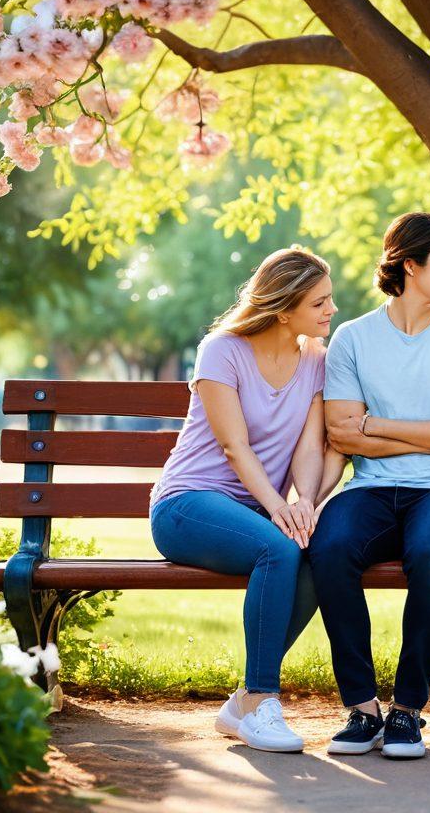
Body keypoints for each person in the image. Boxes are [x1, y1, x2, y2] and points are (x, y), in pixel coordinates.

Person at [308, 212, 430, 760]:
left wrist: (379, 424)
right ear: (410, 265)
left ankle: (408, 710)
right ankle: (363, 708)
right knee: (330, 549)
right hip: (371, 488)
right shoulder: (353, 338)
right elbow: (343, 434)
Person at [149, 247, 338, 754]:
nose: (331, 310)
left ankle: (244, 703)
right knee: (277, 549)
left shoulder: (315, 360)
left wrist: (304, 503)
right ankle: (261, 702)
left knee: (319, 554)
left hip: (257, 510)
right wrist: (280, 509)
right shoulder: (222, 349)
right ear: (283, 307)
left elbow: (308, 446)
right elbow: (234, 447)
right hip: (187, 505)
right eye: (319, 302)